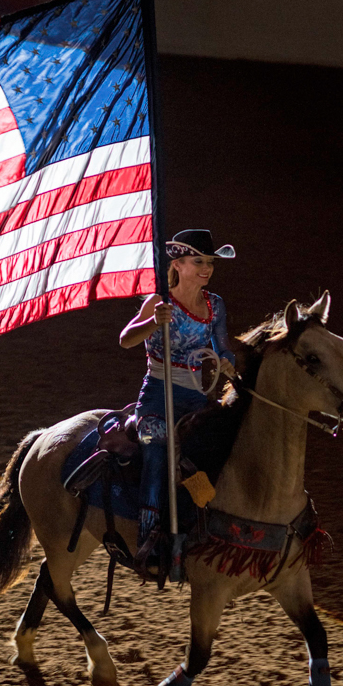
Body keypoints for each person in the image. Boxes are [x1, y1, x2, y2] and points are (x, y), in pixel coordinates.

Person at [119, 230, 236, 557]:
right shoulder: (159, 302)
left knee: (217, 450)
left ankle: (205, 524)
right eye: (198, 261)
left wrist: (227, 360)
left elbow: (222, 347)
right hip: (157, 395)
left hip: (196, 397)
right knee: (157, 454)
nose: (206, 268)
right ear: (178, 264)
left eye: (210, 262)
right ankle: (148, 538)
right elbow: (126, 339)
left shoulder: (215, 305)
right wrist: (154, 323)